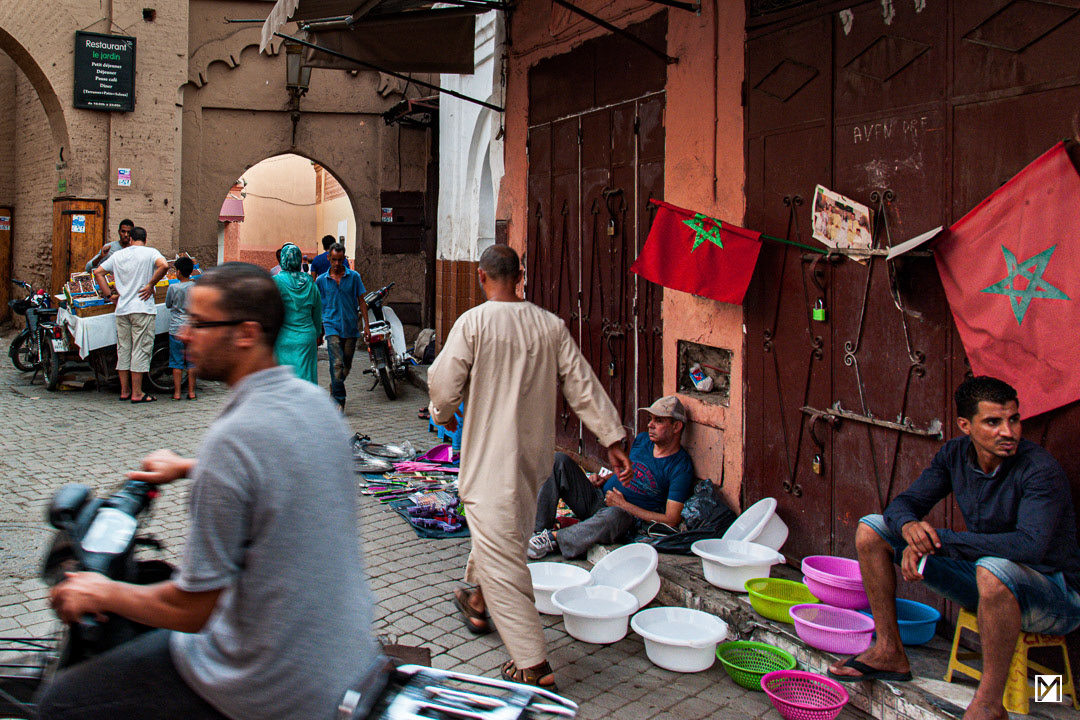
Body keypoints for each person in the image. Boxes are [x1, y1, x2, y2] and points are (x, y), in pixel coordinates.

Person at [39, 263, 380, 720]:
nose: (182, 334)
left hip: (267, 682)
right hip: (344, 657)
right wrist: (186, 468)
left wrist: (100, 592)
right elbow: (273, 470)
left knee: (62, 702)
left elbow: (191, 609)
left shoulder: (235, 438)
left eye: (199, 324)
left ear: (245, 334)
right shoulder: (314, 405)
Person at [427, 244, 631, 691]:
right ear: (520, 275)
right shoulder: (549, 326)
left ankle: (532, 663)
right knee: (505, 536)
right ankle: (478, 600)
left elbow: (443, 385)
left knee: (504, 556)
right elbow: (582, 385)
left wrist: (441, 414)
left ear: (482, 277)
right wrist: (612, 436)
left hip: (488, 459)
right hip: (531, 460)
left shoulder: (474, 323)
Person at [828, 376, 1080, 720]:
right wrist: (910, 527)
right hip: (987, 583)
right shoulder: (955, 454)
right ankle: (889, 651)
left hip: (1055, 598)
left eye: (1014, 419)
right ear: (966, 425)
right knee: (873, 528)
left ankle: (990, 704)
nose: (1008, 431)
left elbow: (1029, 546)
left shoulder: (1039, 470)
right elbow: (904, 502)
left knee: (993, 569)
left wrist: (939, 540)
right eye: (993, 422)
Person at [528, 396, 695, 560]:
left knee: (615, 515)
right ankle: (538, 531)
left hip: (625, 520)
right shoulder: (643, 440)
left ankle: (554, 539)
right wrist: (605, 478)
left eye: (658, 421)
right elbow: (631, 468)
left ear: (676, 427)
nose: (650, 425)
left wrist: (624, 505)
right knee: (558, 461)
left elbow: (671, 519)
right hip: (599, 498)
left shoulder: (681, 467)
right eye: (650, 419)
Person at [93, 227, 168, 403]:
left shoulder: (118, 255)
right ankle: (137, 393)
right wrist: (151, 284)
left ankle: (125, 391)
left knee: (124, 350)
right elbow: (164, 265)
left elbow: (98, 272)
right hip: (142, 308)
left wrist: (110, 295)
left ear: (131, 238)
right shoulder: (150, 252)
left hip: (122, 309)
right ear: (145, 239)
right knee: (140, 349)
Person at [315, 242, 368, 411]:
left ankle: (335, 385)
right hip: (331, 326)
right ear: (329, 259)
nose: (337, 264)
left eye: (340, 260)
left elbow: (362, 301)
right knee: (336, 363)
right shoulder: (321, 281)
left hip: (350, 326)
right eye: (334, 260)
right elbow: (316, 305)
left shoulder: (354, 277)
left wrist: (366, 325)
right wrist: (319, 328)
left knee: (346, 365)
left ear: (344, 259)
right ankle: (339, 400)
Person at [272, 243, 322, 385]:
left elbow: (271, 312)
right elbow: (317, 313)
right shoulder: (310, 284)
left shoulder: (276, 282)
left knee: (285, 381)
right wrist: (317, 333)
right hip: (306, 338)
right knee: (306, 380)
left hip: (283, 339)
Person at [165, 257, 197, 401]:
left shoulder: (173, 288)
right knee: (191, 362)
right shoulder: (196, 287)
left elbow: (168, 304)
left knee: (176, 362)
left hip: (176, 329)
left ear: (178, 271)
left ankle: (177, 393)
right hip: (192, 329)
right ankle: (191, 392)